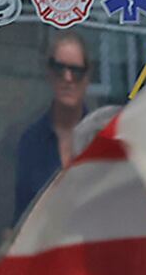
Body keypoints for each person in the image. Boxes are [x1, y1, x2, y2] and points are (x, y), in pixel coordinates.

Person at [5, 34, 91, 227]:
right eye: (59, 69)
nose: (67, 78)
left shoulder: (102, 139)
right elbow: (11, 220)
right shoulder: (27, 141)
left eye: (76, 71)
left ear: (87, 78)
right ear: (49, 74)